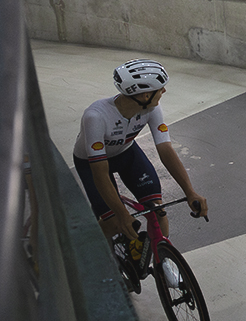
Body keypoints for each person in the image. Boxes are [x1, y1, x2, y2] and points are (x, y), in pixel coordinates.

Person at [72, 60, 208, 258]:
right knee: (116, 223)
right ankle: (87, 252)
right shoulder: (96, 116)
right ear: (145, 95)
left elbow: (166, 150)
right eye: (160, 88)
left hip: (127, 154)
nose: (164, 91)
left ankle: (164, 260)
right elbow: (100, 172)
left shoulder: (152, 109)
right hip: (91, 163)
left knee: (158, 211)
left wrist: (190, 191)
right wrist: (122, 214)